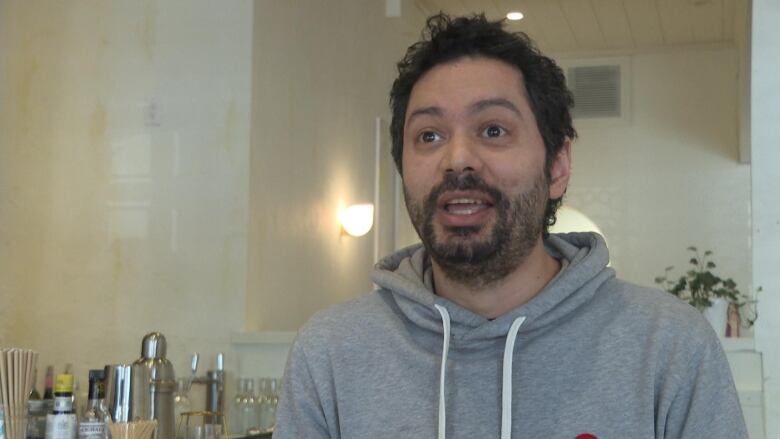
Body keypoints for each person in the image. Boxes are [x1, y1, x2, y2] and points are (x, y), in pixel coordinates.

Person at [273, 13, 747, 439]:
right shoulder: (332, 355)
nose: (457, 159)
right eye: (429, 135)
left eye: (494, 130)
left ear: (557, 166)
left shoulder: (667, 348)